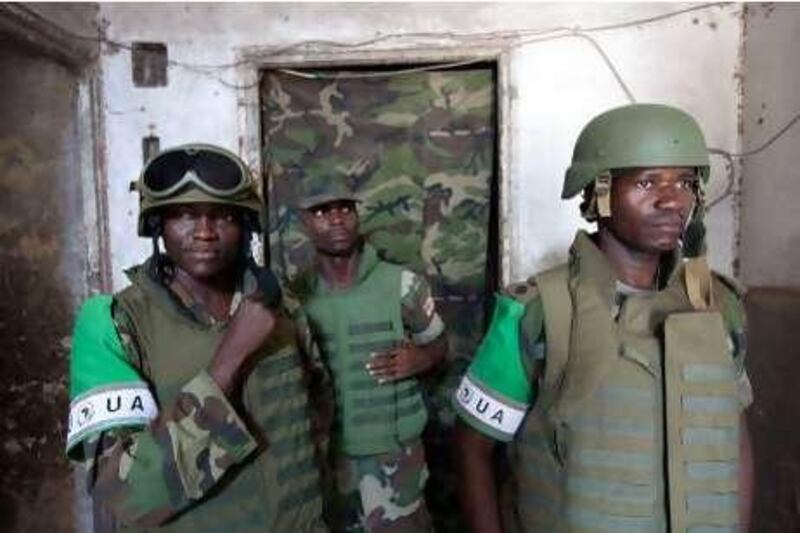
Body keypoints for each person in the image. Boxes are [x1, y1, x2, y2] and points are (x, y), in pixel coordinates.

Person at [453, 104, 754, 532]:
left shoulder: (717, 306)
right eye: (647, 182)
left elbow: (733, 438)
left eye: (685, 182)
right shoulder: (539, 311)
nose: (672, 200)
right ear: (599, 193)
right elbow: (472, 447)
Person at [65, 143, 327, 531]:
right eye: (185, 215)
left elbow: (319, 420)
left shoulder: (283, 305)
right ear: (158, 227)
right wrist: (230, 357)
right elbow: (128, 497)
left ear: (245, 226)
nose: (204, 232)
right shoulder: (113, 323)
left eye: (222, 216)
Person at [290, 179, 448, 532]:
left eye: (345, 209)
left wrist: (421, 359)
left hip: (395, 460)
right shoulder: (295, 297)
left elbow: (439, 344)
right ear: (304, 223)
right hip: (327, 461)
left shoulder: (403, 284)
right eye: (321, 212)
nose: (336, 219)